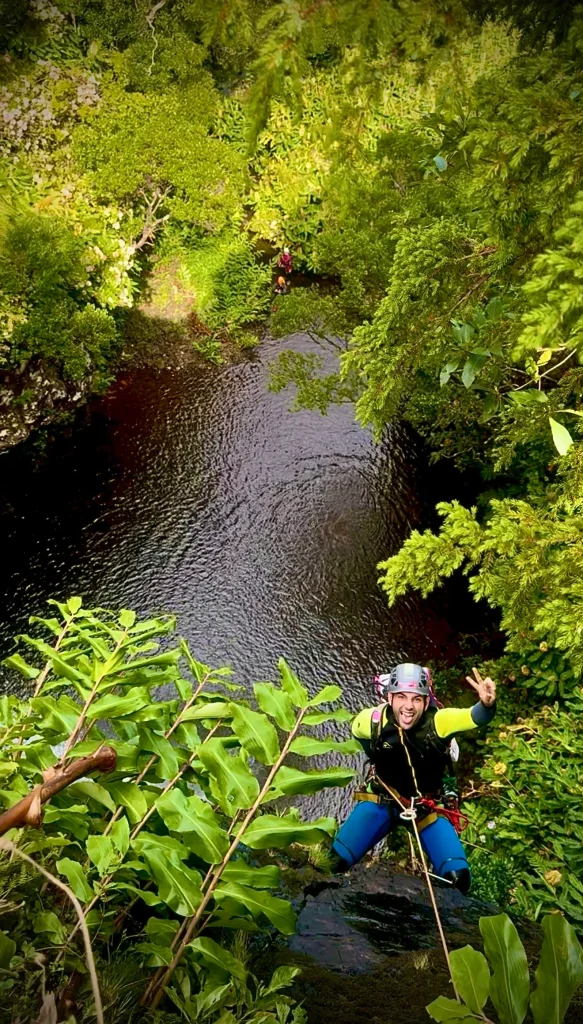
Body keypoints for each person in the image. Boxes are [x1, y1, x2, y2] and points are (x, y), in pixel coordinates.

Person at [330, 663, 497, 893]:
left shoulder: (439, 723)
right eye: (401, 697)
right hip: (383, 800)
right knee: (333, 863)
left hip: (426, 809)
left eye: (416, 699)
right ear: (389, 698)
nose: (408, 706)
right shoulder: (371, 721)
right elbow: (360, 736)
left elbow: (474, 717)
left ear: (426, 702)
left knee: (458, 879)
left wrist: (486, 704)